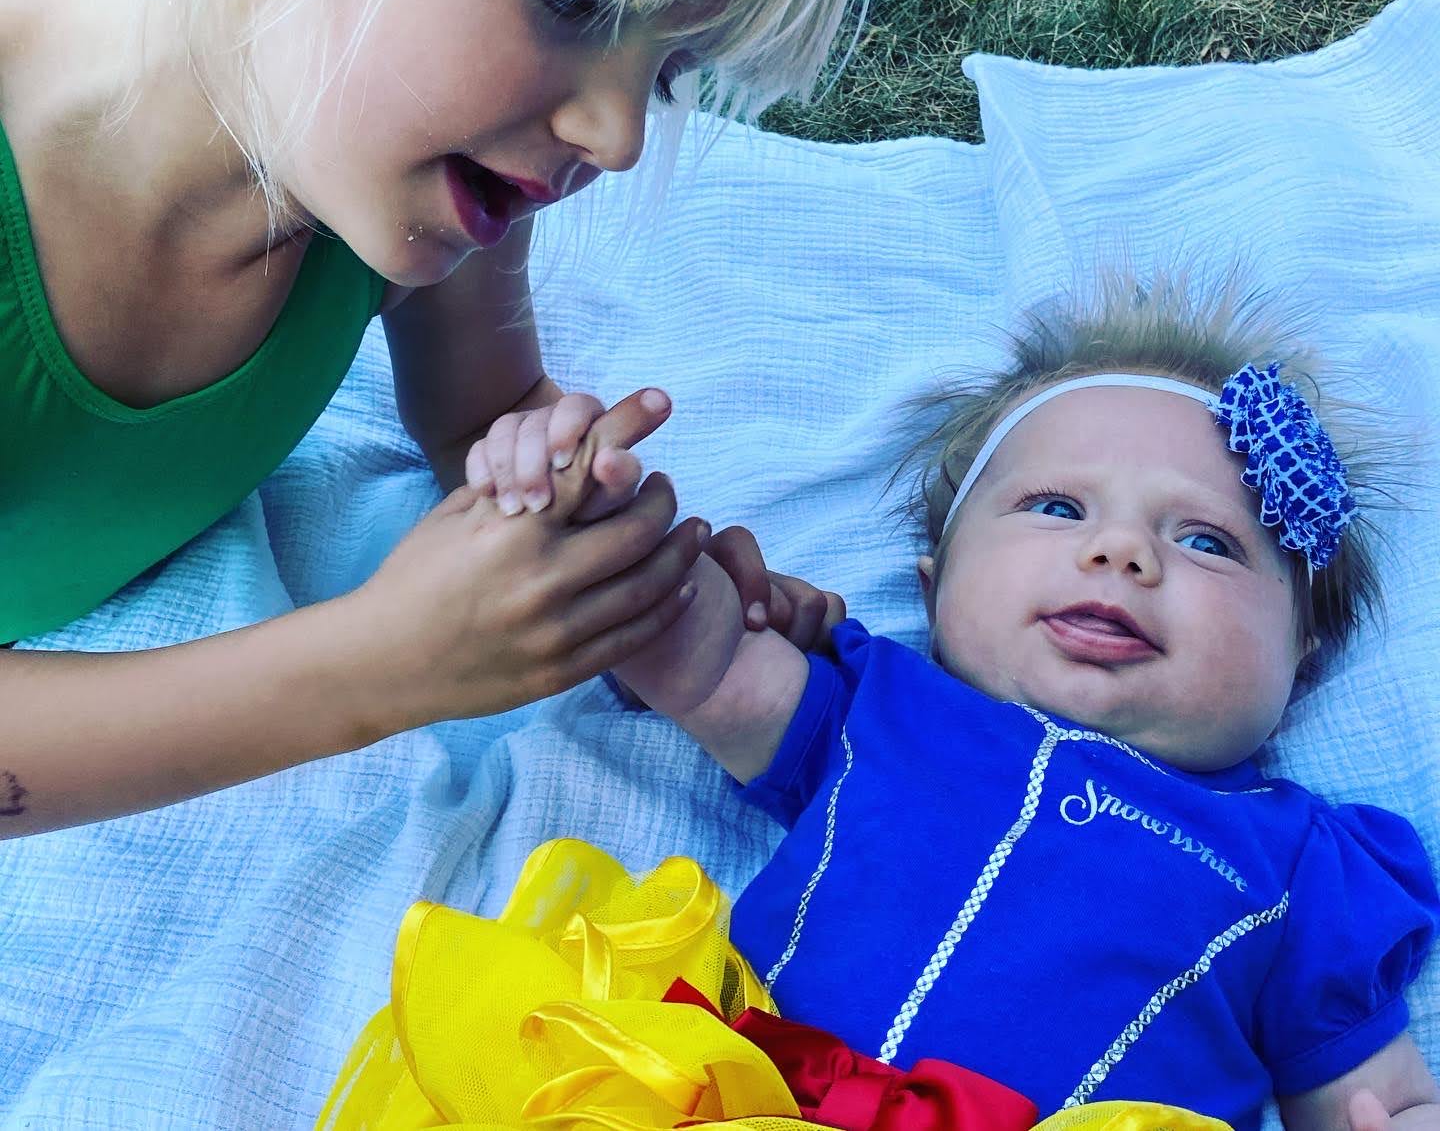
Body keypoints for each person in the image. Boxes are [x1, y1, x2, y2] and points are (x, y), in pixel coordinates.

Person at [0, 0, 871, 837]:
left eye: (671, 70)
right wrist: (377, 667)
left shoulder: (408, 175)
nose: (618, 136)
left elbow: (482, 416)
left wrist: (597, 556)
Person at [524, 276, 1440, 1131]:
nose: (1121, 552)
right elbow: (699, 659)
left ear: (1301, 652)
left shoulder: (1300, 867)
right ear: (936, 589)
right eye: (1057, 508)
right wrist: (586, 521)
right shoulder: (876, 710)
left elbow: (1374, 1095)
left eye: (1207, 540)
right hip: (758, 1100)